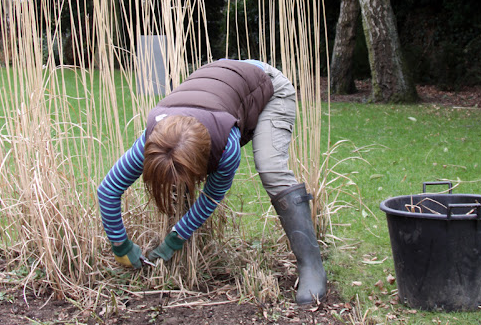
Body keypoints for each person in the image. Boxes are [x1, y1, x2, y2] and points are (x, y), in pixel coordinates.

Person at [97, 59, 327, 305]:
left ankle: (311, 267)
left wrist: (175, 239)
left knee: (271, 170)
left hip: (266, 85)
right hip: (223, 83)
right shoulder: (152, 141)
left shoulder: (226, 147)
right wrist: (120, 245)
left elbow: (210, 196)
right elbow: (108, 190)